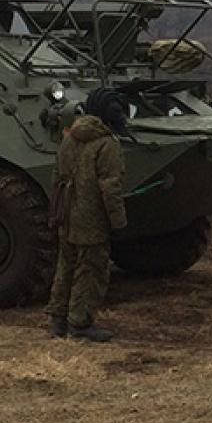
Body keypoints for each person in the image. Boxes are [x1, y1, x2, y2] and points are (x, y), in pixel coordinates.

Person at [45, 87, 129, 341]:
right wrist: (119, 221)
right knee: (91, 270)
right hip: (92, 217)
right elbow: (110, 188)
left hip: (68, 212)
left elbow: (56, 176)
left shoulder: (70, 137)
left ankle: (58, 319)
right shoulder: (107, 144)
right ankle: (80, 324)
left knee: (66, 265)